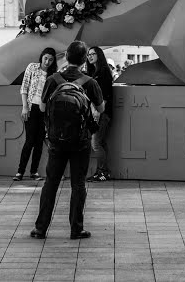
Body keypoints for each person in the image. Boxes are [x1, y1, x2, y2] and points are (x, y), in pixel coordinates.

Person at [31, 40, 104, 240]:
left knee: (51, 183)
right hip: (80, 141)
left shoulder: (53, 79)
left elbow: (43, 107)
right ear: (83, 61)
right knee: (78, 184)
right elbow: (101, 109)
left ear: (67, 57)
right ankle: (76, 228)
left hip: (56, 140)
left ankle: (40, 228)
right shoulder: (90, 82)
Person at [15, 48, 56, 181]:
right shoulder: (32, 67)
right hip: (31, 108)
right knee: (30, 140)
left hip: (44, 110)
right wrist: (25, 107)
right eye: (45, 58)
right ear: (41, 57)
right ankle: (20, 171)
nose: (47, 61)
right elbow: (24, 87)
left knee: (39, 142)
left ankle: (34, 172)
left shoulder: (53, 74)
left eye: (50, 59)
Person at [86, 45, 114, 182]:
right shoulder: (93, 72)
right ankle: (102, 172)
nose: (90, 56)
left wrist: (98, 112)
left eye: (93, 54)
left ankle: (102, 172)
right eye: (88, 54)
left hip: (102, 113)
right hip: (95, 113)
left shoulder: (103, 72)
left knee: (96, 144)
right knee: (100, 143)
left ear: (99, 55)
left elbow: (105, 95)